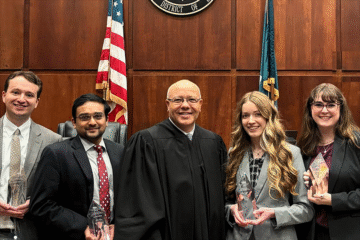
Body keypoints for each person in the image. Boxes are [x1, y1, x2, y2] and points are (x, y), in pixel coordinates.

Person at [114, 79, 227, 240]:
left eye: (192, 100)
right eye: (178, 100)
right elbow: (137, 206)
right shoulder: (146, 142)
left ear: (200, 104)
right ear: (167, 105)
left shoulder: (213, 143)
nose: (185, 105)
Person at [29, 93, 124, 240]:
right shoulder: (56, 153)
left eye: (98, 116)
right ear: (74, 122)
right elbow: (42, 205)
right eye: (84, 117)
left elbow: (130, 198)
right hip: (75, 235)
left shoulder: (121, 152)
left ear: (107, 120)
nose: (92, 122)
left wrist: (121, 226)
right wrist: (85, 227)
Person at [225, 91, 314, 240]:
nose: (250, 121)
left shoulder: (290, 153)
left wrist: (274, 213)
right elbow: (225, 201)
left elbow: (306, 210)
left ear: (269, 117)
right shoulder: (234, 153)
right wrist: (231, 210)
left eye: (257, 114)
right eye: (245, 115)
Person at [0, 71, 62, 239]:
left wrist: (35, 202)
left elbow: (60, 190)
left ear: (36, 102)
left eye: (29, 95)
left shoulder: (54, 141)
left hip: (31, 230)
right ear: (4, 96)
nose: (22, 99)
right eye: (15, 92)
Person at [297, 83, 360, 240]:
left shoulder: (356, 142)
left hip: (349, 232)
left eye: (331, 104)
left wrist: (333, 200)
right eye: (318, 104)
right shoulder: (303, 145)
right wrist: (304, 182)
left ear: (341, 108)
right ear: (310, 109)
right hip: (311, 232)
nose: (324, 110)